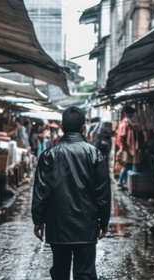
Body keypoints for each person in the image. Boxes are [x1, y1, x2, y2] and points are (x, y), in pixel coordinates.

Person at [32, 107, 112, 280]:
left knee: (60, 272)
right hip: (86, 225)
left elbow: (41, 191)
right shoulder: (94, 154)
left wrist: (38, 220)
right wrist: (104, 221)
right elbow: (103, 193)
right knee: (85, 273)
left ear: (62, 126)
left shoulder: (48, 155)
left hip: (58, 225)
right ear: (83, 128)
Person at [116, 105, 136, 188]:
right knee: (128, 165)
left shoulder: (123, 122)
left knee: (128, 165)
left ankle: (123, 180)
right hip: (126, 148)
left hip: (125, 147)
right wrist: (124, 148)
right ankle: (120, 181)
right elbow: (122, 136)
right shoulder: (126, 123)